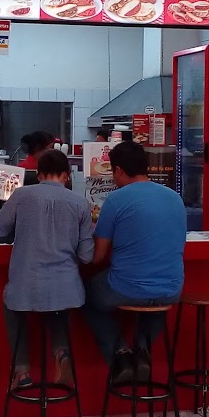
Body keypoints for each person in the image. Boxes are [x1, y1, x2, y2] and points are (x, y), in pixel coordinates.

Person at [0, 148, 92, 390]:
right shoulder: (81, 203)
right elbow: (86, 256)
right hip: (67, 289)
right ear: (66, 175)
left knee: (13, 305)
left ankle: (21, 371)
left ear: (39, 174)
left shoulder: (21, 195)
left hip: (26, 286)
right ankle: (61, 352)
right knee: (57, 304)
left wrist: (17, 233)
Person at [82, 140, 185, 383]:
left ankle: (120, 355)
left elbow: (97, 257)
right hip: (172, 289)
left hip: (125, 288)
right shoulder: (175, 198)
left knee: (83, 295)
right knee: (156, 297)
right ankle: (142, 352)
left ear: (118, 170)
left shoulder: (116, 200)